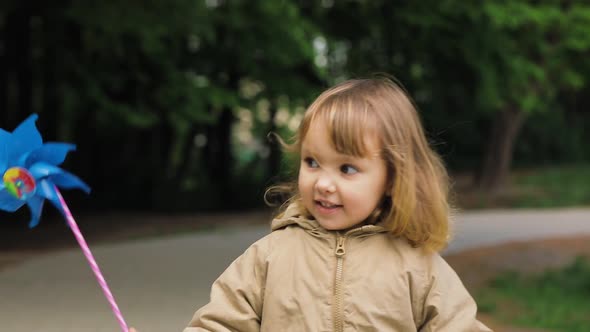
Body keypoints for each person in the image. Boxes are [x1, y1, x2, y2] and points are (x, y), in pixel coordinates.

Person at [133, 77, 492, 331]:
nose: (322, 182)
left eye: (347, 168)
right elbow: (219, 325)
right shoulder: (268, 257)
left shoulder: (419, 267)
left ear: (393, 178)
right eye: (312, 162)